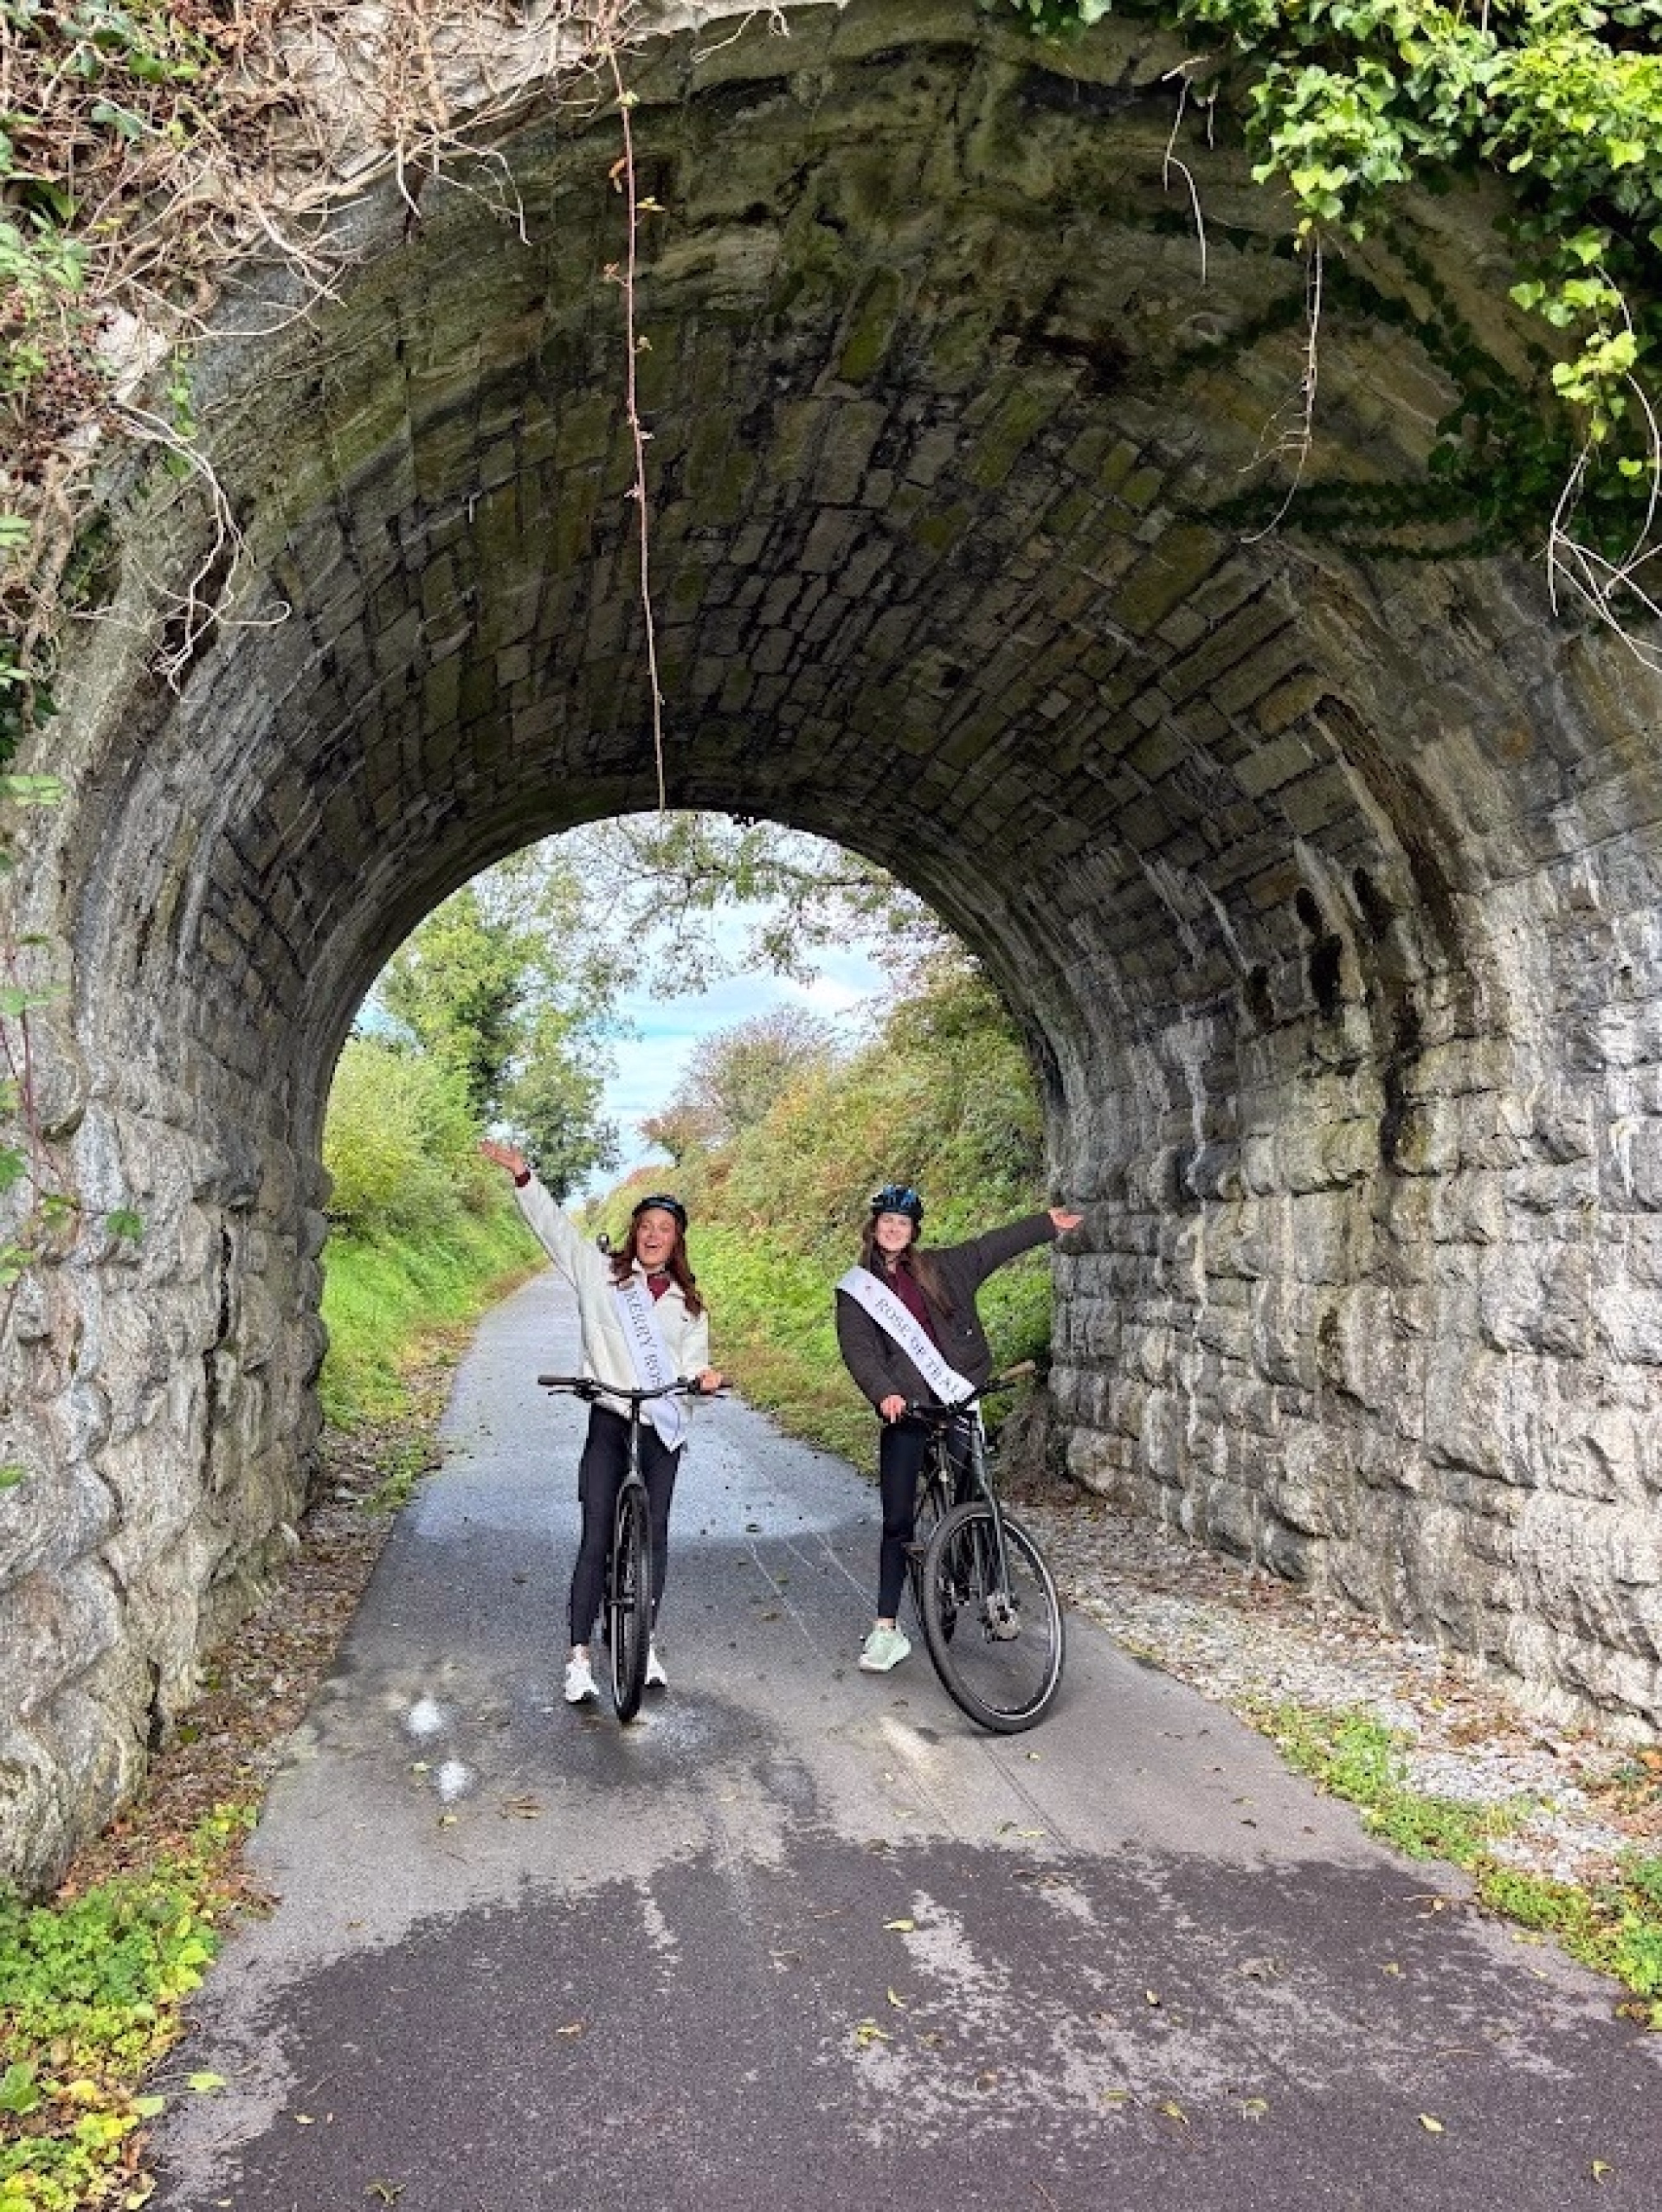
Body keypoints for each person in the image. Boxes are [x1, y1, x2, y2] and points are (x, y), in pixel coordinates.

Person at [480, 1140, 722, 1704]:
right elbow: (556, 1232)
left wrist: (703, 1377)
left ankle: (645, 1641)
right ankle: (579, 1657)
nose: (654, 1234)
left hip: (659, 1428)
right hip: (611, 1419)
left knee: (654, 1536)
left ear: (677, 1238)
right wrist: (524, 1177)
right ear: (636, 1232)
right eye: (647, 1225)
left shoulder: (689, 1306)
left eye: (665, 1227)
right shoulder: (601, 1275)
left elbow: (692, 1365)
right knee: (595, 1538)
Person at [834, 1182, 1083, 1675]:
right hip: (906, 1409)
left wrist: (1045, 1225)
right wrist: (884, 1393)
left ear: (913, 1231)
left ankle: (993, 1591)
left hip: (956, 1397)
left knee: (977, 1497)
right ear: (874, 1226)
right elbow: (859, 1348)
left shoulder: (943, 1268)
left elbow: (992, 1246)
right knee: (897, 1521)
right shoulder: (856, 1289)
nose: (893, 1229)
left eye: (903, 1223)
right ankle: (886, 1630)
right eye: (887, 1220)